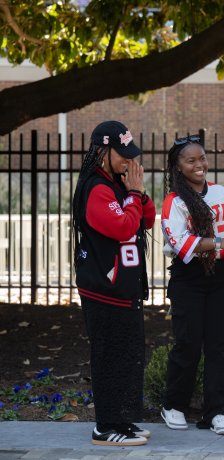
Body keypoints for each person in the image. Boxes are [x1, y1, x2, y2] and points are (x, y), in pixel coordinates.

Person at [160, 135, 224, 435]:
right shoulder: (173, 202)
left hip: (221, 277)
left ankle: (217, 411)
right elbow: (181, 243)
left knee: (220, 345)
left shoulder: (219, 193)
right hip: (189, 278)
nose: (199, 164)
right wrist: (219, 241)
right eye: (190, 160)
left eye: (201, 157)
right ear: (178, 167)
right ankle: (173, 405)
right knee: (188, 343)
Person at [72, 120, 156, 446]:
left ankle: (122, 420)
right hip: (104, 291)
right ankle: (105, 427)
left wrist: (137, 193)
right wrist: (133, 194)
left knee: (128, 356)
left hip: (125, 291)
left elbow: (145, 219)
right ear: (103, 151)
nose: (128, 162)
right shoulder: (96, 188)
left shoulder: (119, 186)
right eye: (122, 155)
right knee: (108, 357)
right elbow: (122, 227)